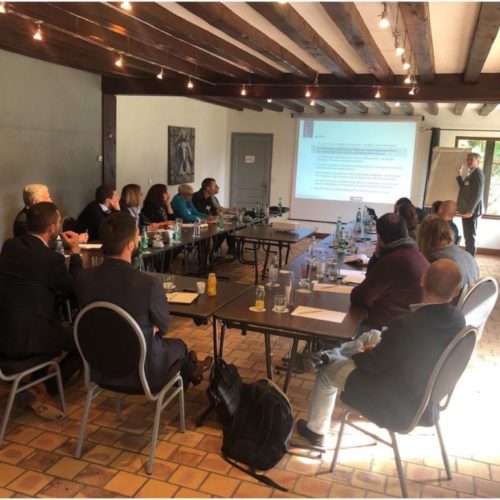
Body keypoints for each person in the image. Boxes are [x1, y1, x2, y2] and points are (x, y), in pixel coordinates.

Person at [297, 259, 465, 447]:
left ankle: (316, 430)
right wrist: (374, 351)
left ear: (423, 280)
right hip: (422, 390)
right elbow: (404, 350)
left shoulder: (406, 325)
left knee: (326, 372)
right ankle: (330, 354)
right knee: (374, 335)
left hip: (393, 400)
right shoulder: (458, 319)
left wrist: (361, 354)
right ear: (456, 290)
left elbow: (373, 365)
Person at [75, 212, 212, 392]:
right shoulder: (148, 284)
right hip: (142, 374)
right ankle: (191, 370)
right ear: (130, 245)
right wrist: (147, 327)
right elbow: (163, 327)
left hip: (100, 368)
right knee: (179, 346)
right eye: (138, 235)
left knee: (172, 349)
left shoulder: (83, 278)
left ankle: (192, 369)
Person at [0, 202, 83, 419]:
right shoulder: (50, 259)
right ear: (52, 228)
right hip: (29, 339)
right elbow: (75, 288)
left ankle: (35, 381)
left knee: (48, 325)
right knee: (84, 340)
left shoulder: (9, 247)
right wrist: (76, 252)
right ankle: (46, 387)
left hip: (5, 332)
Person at [350, 213, 429, 329]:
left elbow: (360, 297)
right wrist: (377, 255)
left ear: (379, 237)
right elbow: (370, 279)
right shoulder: (414, 252)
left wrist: (377, 255)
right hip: (411, 324)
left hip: (389, 329)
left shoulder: (394, 260)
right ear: (405, 232)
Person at [417, 216, 479, 287]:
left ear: (423, 236)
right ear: (448, 232)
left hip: (451, 293)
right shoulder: (468, 256)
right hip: (471, 293)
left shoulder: (434, 261)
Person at [193, 178, 236, 258]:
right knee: (220, 231)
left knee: (228, 229)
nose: (217, 187)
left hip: (210, 221)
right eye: (214, 186)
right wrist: (210, 216)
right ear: (208, 188)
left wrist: (216, 217)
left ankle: (226, 251)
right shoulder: (196, 197)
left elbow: (213, 211)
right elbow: (197, 212)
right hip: (199, 224)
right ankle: (211, 253)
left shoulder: (209, 197)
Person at [456, 152, 485, 256]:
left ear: (477, 161)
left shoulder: (478, 173)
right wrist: (459, 175)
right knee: (467, 236)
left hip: (473, 211)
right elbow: (464, 187)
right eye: (467, 159)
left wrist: (471, 210)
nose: (468, 161)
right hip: (467, 211)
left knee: (470, 237)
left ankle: (470, 259)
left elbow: (478, 193)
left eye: (471, 159)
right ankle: (468, 257)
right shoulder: (471, 173)